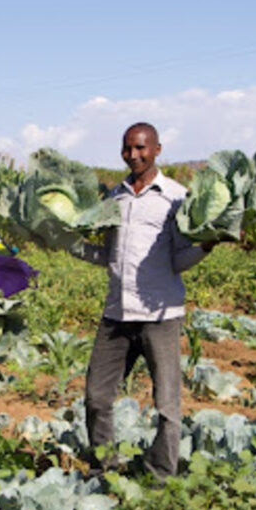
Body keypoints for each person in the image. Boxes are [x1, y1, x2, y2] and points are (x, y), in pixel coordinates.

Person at [74, 122, 212, 479]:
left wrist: (208, 245)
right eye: (127, 148)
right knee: (96, 397)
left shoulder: (176, 198)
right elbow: (107, 254)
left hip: (159, 314)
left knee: (166, 404)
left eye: (140, 148)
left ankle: (161, 472)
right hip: (117, 312)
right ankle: (104, 467)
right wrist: (64, 244)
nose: (133, 155)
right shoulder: (113, 198)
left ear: (157, 150)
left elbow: (179, 260)